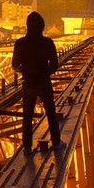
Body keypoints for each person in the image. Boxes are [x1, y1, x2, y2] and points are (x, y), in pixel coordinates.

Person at [11, 11, 65, 154]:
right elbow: (54, 65)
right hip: (43, 83)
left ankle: (27, 147)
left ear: (27, 26)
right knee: (51, 113)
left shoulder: (20, 43)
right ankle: (56, 142)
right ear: (42, 27)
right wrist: (45, 73)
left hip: (28, 84)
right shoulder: (47, 43)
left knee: (27, 116)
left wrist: (25, 71)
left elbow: (15, 65)